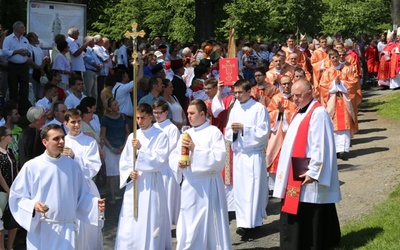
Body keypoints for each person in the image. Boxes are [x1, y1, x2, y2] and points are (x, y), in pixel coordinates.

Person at [9, 124, 105, 250]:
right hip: (42, 229)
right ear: (45, 142)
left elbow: (82, 195)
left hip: (67, 230)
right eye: (56, 139)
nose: (61, 142)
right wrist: (33, 205)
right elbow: (17, 197)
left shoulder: (73, 166)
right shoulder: (32, 166)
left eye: (62, 138)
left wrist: (94, 204)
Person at [273, 79, 341, 249]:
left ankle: (311, 243)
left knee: (310, 207)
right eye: (293, 95)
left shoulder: (318, 113)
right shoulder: (299, 112)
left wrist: (314, 171)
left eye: (298, 95)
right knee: (298, 205)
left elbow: (320, 144)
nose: (294, 99)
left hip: (307, 170)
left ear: (309, 93)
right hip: (296, 167)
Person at [169, 99, 232, 249]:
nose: (189, 116)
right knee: (189, 221)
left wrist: (195, 149)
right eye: (188, 113)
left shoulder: (213, 132)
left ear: (202, 114)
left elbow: (219, 158)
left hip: (208, 185)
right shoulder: (186, 133)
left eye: (192, 113)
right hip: (190, 184)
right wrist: (178, 162)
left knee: (208, 221)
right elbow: (174, 155)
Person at [115, 103, 172, 249]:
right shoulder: (132, 136)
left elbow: (160, 160)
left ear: (150, 117)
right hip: (135, 183)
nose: (139, 121)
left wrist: (141, 148)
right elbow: (125, 160)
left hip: (151, 182)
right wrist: (129, 172)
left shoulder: (160, 136)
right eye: (137, 118)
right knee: (131, 217)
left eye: (143, 118)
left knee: (150, 217)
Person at [225, 79, 270, 238]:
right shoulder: (235, 109)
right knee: (241, 191)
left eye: (239, 92)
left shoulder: (259, 108)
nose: (237, 95)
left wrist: (245, 129)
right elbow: (228, 133)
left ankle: (255, 223)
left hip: (253, 155)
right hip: (239, 156)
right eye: (235, 92)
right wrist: (234, 132)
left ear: (249, 91)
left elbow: (264, 132)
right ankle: (243, 224)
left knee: (254, 190)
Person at [63, 109, 103, 250]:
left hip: (85, 188)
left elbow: (93, 167)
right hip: (66, 189)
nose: (76, 125)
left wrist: (75, 157)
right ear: (66, 123)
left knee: (87, 227)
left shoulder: (89, 142)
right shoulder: (61, 141)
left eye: (79, 121)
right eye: (72, 122)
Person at [319, 49, 362, 159]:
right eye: (332, 57)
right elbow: (322, 86)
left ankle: (344, 149)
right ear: (330, 59)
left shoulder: (348, 69)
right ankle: (336, 149)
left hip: (345, 101)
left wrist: (341, 83)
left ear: (339, 57)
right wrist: (334, 84)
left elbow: (354, 82)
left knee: (345, 123)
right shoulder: (327, 72)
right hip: (333, 101)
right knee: (334, 124)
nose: (334, 59)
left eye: (336, 56)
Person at [266, 75, 297, 193]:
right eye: (283, 84)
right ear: (280, 85)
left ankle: (290, 184)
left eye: (288, 83)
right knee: (275, 157)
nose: (286, 86)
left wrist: (285, 113)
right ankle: (274, 187)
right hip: (278, 133)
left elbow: (298, 114)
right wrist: (279, 113)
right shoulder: (276, 98)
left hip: (291, 133)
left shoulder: (296, 97)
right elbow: (269, 114)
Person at [152, 99, 181, 226]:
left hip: (167, 167)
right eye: (154, 112)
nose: (157, 115)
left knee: (167, 197)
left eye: (159, 113)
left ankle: (167, 224)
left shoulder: (172, 129)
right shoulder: (152, 127)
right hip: (154, 167)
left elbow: (172, 148)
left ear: (166, 112)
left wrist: (157, 156)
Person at [100, 97, 129, 204]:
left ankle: (123, 194)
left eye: (117, 103)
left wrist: (123, 146)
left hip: (122, 147)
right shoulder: (105, 119)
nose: (118, 105)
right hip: (109, 148)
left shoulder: (123, 116)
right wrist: (111, 148)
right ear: (110, 108)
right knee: (112, 173)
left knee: (123, 170)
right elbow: (103, 135)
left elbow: (127, 132)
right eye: (115, 104)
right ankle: (112, 195)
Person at [2, 21, 32, 114]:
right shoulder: (8, 39)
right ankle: (13, 109)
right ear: (16, 29)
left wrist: (27, 53)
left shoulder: (25, 39)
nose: (24, 29)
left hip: (23, 66)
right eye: (22, 28)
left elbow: (30, 51)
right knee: (13, 88)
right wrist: (17, 51)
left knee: (24, 88)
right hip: (13, 66)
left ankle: (23, 110)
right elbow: (5, 52)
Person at [0, 126, 19, 250]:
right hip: (1, 191)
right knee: (0, 222)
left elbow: (16, 169)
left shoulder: (10, 151)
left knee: (14, 220)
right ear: (3, 137)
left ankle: (10, 247)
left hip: (13, 190)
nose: (12, 137)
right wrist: (8, 190)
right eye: (9, 135)